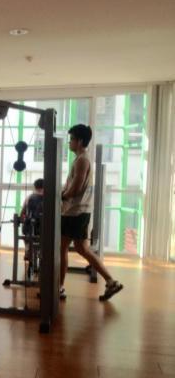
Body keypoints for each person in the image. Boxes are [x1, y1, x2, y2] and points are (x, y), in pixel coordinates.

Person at [61, 124, 123, 301]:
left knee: (62, 248)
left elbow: (76, 188)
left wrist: (62, 195)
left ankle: (59, 287)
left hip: (75, 212)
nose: (69, 142)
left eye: (72, 139)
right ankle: (111, 282)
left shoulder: (82, 160)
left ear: (80, 141)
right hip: (78, 211)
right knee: (82, 249)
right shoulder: (81, 159)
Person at [20, 178, 44, 270]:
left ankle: (28, 251)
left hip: (29, 228)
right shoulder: (49, 198)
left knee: (28, 237)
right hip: (43, 229)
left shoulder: (29, 198)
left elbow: (22, 213)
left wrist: (21, 220)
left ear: (35, 187)